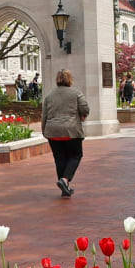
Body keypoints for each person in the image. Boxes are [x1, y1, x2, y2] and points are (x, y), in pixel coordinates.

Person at [42, 68, 89, 197]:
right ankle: (64, 180)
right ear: (70, 79)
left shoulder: (49, 96)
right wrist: (83, 115)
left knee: (59, 158)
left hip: (53, 131)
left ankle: (65, 186)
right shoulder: (76, 93)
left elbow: (44, 115)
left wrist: (44, 131)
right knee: (76, 155)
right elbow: (85, 108)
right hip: (71, 131)